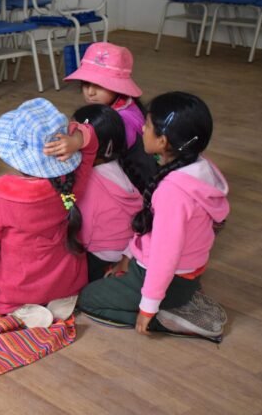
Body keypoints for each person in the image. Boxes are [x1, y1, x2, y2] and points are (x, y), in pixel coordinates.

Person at [78, 92, 229, 339]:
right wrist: (128, 255)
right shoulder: (199, 168)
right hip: (183, 274)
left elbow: (164, 255)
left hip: (165, 278)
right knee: (107, 282)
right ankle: (174, 300)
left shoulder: (173, 192)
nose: (141, 130)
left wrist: (148, 307)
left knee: (88, 299)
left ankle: (164, 317)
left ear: (163, 141)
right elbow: (152, 230)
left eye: (146, 126)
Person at [0, 98, 98, 328]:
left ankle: (17, 308)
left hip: (20, 286)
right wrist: (77, 140)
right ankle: (61, 298)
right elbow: (91, 143)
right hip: (66, 279)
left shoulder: (1, 195)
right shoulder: (70, 182)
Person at [65, 42, 157, 191]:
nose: (90, 92)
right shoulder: (127, 104)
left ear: (118, 87)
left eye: (99, 85)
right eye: (86, 84)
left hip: (131, 185)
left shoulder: (121, 120)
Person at [72, 104, 143, 281]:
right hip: (126, 250)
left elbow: (83, 236)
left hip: (102, 256)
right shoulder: (116, 166)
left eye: (76, 138)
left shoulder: (91, 178)